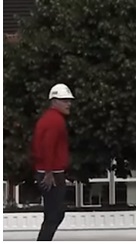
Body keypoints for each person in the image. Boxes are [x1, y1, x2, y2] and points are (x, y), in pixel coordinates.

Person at [31, 83, 74, 241]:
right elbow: (48, 146)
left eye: (69, 100)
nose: (69, 104)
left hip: (49, 171)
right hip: (52, 173)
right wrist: (49, 172)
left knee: (52, 214)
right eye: (65, 100)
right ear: (54, 101)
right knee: (55, 214)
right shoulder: (56, 121)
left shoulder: (47, 119)